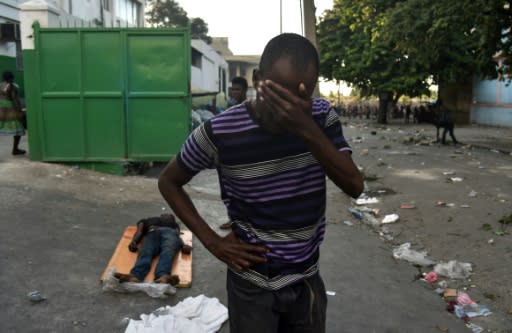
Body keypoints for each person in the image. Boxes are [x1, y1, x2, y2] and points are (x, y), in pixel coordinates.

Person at [158, 33, 363, 332]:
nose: (289, 107)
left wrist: (306, 129)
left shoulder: (320, 118)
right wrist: (213, 242)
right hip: (252, 284)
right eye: (280, 93)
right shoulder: (220, 132)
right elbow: (168, 182)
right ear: (258, 79)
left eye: (300, 96)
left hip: (307, 278)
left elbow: (354, 185)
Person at [114, 213, 192, 285]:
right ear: (160, 216)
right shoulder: (147, 220)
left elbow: (177, 236)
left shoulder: (174, 225)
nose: (167, 214)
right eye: (166, 214)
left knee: (168, 251)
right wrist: (134, 242)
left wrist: (183, 246)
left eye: (170, 215)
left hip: (170, 233)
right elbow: (139, 232)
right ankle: (136, 276)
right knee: (146, 250)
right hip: (152, 232)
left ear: (172, 219)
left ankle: (163, 276)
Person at [0, 71, 26, 155]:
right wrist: (20, 111)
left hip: (1, 110)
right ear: (11, 78)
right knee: (18, 129)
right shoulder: (12, 87)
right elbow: (15, 100)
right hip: (10, 111)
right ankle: (15, 149)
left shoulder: (0, 85)